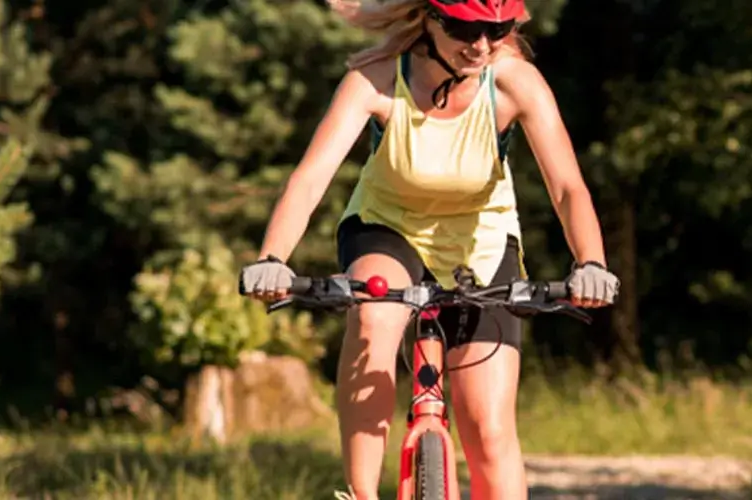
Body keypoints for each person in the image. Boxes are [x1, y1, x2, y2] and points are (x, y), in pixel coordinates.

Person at [237, 0, 618, 498]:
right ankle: (360, 493)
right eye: (466, 28)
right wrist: (272, 260)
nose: (482, 45)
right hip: (387, 227)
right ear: (430, 20)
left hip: (480, 242)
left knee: (488, 427)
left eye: (497, 30)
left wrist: (591, 263)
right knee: (374, 317)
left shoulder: (514, 83)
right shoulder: (375, 80)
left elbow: (567, 187)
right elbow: (309, 180)